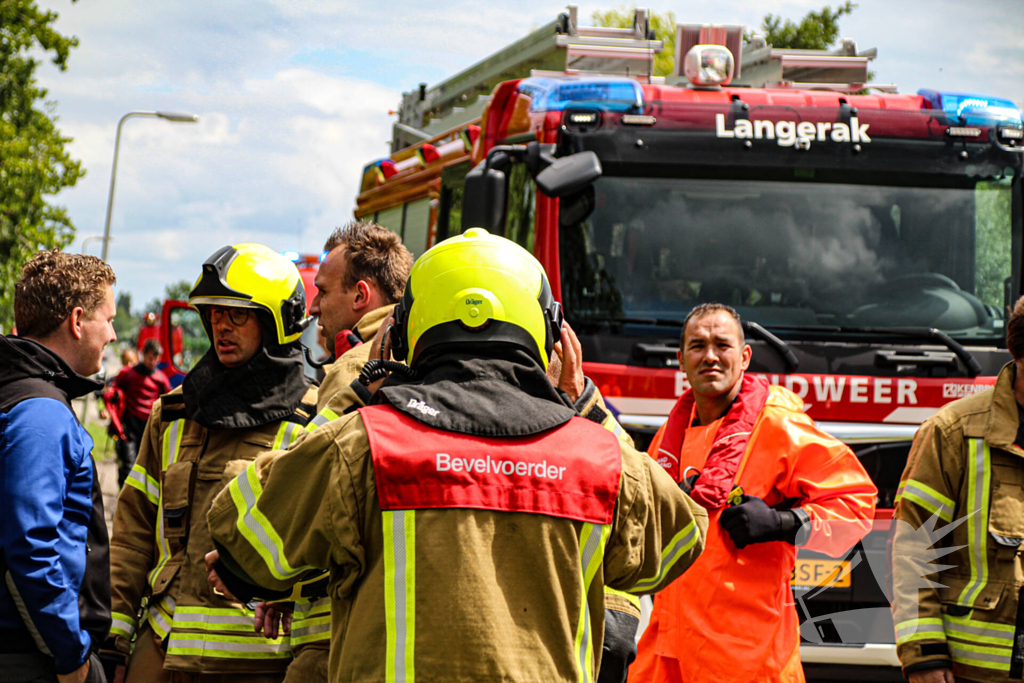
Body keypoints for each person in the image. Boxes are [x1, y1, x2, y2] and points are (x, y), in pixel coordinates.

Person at [203, 228, 708, 682]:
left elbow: (242, 538)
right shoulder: (599, 457)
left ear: (402, 332)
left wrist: (355, 397)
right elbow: (682, 538)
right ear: (552, 335)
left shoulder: (362, 443)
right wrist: (587, 408)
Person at [105, 243, 319, 682]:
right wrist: (114, 641)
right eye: (215, 313)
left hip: (258, 665)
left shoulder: (313, 422)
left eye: (237, 314)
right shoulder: (174, 413)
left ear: (277, 321)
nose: (221, 325)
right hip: (159, 652)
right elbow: (132, 535)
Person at [632, 303, 877, 683]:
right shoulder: (669, 436)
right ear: (681, 360)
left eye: (722, 345)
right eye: (697, 346)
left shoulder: (779, 425)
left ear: (744, 357)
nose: (710, 356)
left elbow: (856, 504)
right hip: (668, 652)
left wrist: (783, 523)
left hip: (747, 657)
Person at [890, 297, 1024, 683]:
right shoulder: (953, 431)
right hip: (976, 672)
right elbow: (914, 549)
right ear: (1020, 350)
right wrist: (925, 655)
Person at [0, 250, 117, 683]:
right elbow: (29, 546)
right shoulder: (40, 413)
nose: (113, 334)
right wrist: (72, 658)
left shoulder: (16, 393)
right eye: (109, 319)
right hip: (33, 657)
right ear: (78, 320)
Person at [109, 339, 172, 488]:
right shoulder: (129, 373)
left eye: (155, 358)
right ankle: (123, 497)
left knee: (146, 469)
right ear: (143, 354)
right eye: (150, 357)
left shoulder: (161, 379)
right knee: (128, 466)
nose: (152, 361)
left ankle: (139, 499)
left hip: (149, 429)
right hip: (129, 428)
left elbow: (169, 399)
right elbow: (114, 386)